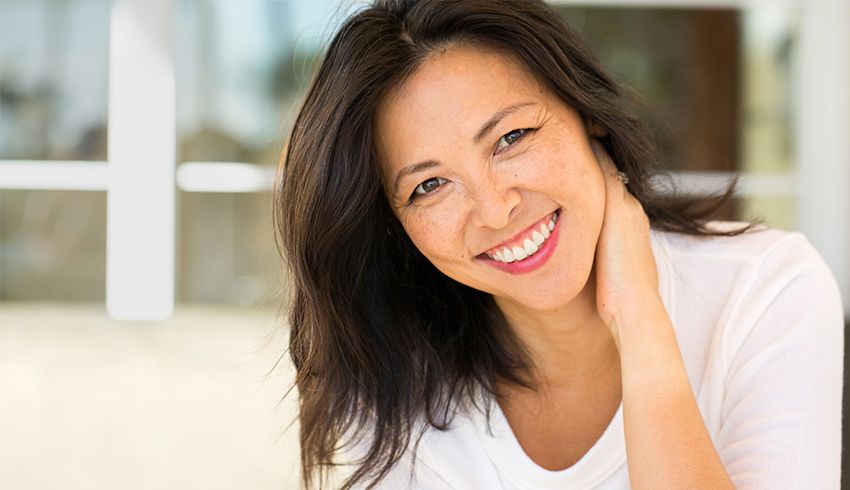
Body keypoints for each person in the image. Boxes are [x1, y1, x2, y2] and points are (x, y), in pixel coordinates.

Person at [273, 1, 844, 488]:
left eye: (511, 137)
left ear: (586, 114)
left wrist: (641, 321)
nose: (495, 208)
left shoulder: (765, 290)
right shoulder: (396, 376)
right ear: (396, 225)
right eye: (429, 186)